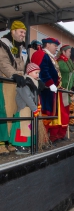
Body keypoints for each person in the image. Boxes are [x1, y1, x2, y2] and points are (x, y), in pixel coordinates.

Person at [31, 37, 69, 143]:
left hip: (50, 90)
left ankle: (44, 139)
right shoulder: (42, 54)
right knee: (44, 114)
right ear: (47, 45)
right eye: (55, 45)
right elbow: (42, 71)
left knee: (48, 115)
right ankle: (41, 140)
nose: (57, 48)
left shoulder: (50, 56)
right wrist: (50, 83)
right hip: (44, 90)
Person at [0, 20, 28, 155]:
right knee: (3, 111)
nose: (23, 35)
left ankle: (8, 140)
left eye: (24, 33)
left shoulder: (20, 48)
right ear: (13, 32)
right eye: (21, 32)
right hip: (4, 82)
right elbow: (3, 63)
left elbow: (21, 66)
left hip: (13, 83)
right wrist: (14, 74)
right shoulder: (3, 43)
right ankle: (1, 142)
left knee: (11, 111)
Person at [9, 63, 44, 154]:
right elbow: (27, 97)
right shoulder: (24, 83)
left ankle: (27, 144)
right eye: (36, 73)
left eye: (38, 73)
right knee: (22, 128)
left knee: (28, 128)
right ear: (29, 72)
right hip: (24, 109)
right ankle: (19, 146)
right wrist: (35, 108)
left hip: (30, 109)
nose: (38, 75)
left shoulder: (34, 83)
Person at [57, 44, 74, 136]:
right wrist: (71, 59)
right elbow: (67, 69)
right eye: (69, 52)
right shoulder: (60, 61)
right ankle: (58, 134)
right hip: (62, 90)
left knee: (66, 113)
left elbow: (73, 77)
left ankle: (62, 134)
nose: (71, 54)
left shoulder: (68, 61)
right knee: (63, 113)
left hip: (68, 91)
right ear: (63, 52)